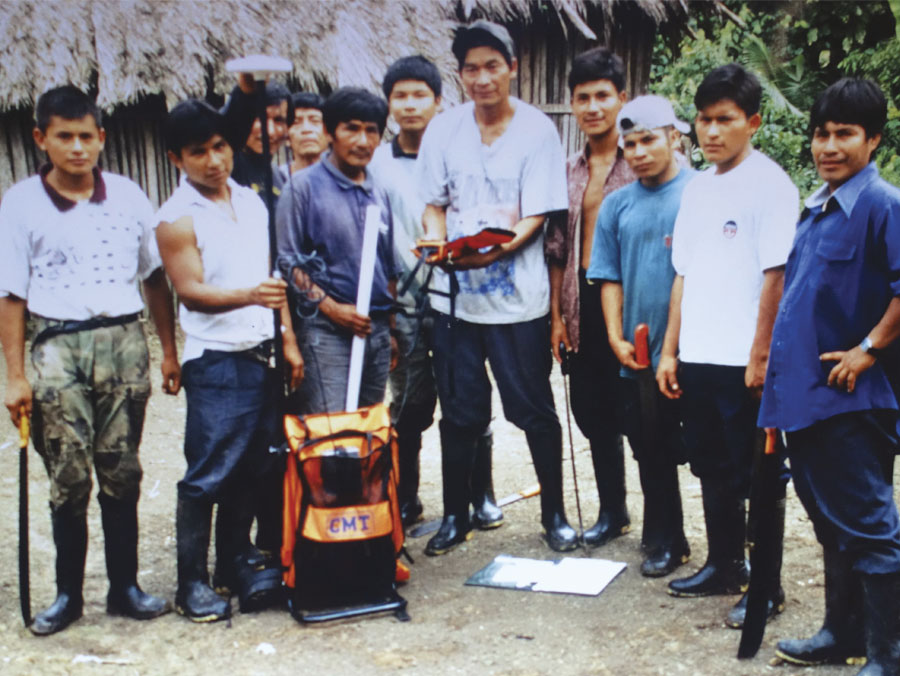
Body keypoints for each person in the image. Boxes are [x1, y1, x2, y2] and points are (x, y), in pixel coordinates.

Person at [0, 85, 178, 635]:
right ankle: (68, 596)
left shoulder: (127, 196)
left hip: (124, 340)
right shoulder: (20, 203)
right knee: (70, 475)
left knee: (121, 469)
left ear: (102, 138)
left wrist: (168, 352)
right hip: (58, 346)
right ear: (41, 139)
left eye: (86, 136)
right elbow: (11, 296)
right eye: (64, 137)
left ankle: (125, 587)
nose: (77, 148)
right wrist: (15, 376)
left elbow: (154, 278)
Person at [417, 20, 575, 555]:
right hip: (455, 300)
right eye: (470, 69)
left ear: (512, 67)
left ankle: (554, 514)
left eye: (492, 66)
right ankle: (456, 516)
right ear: (459, 75)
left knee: (532, 409)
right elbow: (433, 205)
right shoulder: (443, 130)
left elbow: (538, 216)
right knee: (459, 414)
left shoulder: (537, 131)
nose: (482, 78)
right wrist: (437, 243)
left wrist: (498, 248)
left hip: (518, 301)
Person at [761, 79, 900, 674]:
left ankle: (887, 654)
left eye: (845, 133)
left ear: (873, 140)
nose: (829, 145)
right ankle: (839, 635)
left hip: (850, 400)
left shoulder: (882, 204)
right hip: (805, 400)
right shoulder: (817, 207)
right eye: (821, 133)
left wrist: (867, 348)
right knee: (831, 523)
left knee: (869, 528)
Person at [656, 64, 798, 627]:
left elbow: (777, 277)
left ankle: (767, 585)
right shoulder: (696, 188)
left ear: (753, 122)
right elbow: (683, 274)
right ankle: (724, 564)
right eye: (704, 120)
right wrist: (671, 351)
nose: (711, 132)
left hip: (746, 361)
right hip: (699, 354)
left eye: (725, 120)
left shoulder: (771, 185)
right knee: (712, 466)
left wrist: (762, 355)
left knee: (759, 473)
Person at [155, 99, 303, 622]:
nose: (214, 161)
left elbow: (271, 277)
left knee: (255, 464)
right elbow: (191, 292)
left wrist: (286, 340)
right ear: (177, 157)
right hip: (215, 360)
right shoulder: (175, 218)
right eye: (199, 152)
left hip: (261, 350)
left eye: (221, 147)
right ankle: (190, 582)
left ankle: (235, 560)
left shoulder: (251, 200)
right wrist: (251, 296)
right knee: (209, 470)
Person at [370, 55, 502, 529]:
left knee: (467, 397)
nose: (410, 106)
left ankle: (479, 494)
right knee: (408, 404)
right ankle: (405, 497)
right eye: (399, 96)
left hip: (459, 299)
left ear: (438, 101)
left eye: (419, 95)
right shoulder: (376, 165)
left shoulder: (460, 153)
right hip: (403, 301)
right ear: (388, 104)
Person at [586, 95, 693, 577]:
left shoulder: (700, 192)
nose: (640, 151)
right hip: (639, 350)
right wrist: (615, 335)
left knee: (705, 451)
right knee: (648, 443)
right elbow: (608, 276)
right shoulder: (616, 205)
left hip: (694, 348)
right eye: (630, 144)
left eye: (649, 139)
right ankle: (666, 537)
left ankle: (731, 553)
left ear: (675, 137)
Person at [546, 46, 635, 548]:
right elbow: (557, 247)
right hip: (581, 298)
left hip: (630, 301)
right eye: (583, 98)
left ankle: (665, 524)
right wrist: (557, 316)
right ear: (573, 105)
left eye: (603, 95)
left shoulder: (646, 159)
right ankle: (613, 510)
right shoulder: (568, 169)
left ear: (622, 98)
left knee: (640, 415)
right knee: (591, 409)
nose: (594, 107)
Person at [276, 87, 398, 415]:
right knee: (330, 433)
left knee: (366, 430)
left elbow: (388, 267)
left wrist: (391, 329)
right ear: (330, 133)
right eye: (352, 129)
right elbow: (288, 262)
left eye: (371, 130)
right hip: (326, 332)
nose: (362, 141)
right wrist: (332, 309)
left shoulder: (380, 191)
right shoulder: (302, 188)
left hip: (376, 330)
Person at [280, 92, 328, 179]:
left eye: (315, 121)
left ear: (329, 134)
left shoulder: (346, 178)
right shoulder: (277, 180)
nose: (306, 129)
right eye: (296, 122)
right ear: (286, 138)